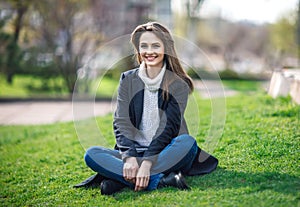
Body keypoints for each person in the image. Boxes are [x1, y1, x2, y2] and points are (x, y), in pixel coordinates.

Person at [74, 22, 218, 195]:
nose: (149, 51)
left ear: (166, 48)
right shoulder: (128, 79)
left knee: (187, 143)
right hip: (134, 151)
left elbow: (169, 127)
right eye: (144, 46)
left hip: (166, 150)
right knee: (92, 154)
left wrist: (148, 162)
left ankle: (121, 180)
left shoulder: (178, 83)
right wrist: (130, 158)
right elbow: (121, 122)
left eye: (156, 46)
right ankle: (161, 180)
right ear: (138, 49)